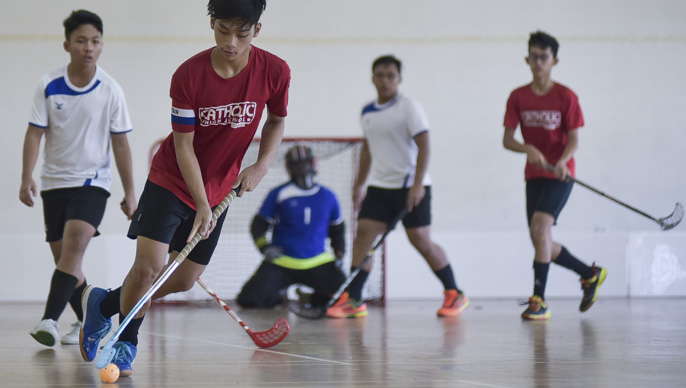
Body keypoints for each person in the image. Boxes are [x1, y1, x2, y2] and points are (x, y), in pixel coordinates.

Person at [78, 0, 290, 377]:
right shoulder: (189, 76)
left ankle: (103, 305)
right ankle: (127, 342)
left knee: (183, 279)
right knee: (149, 269)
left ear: (256, 30)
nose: (231, 42)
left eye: (241, 33)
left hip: (220, 187)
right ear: (211, 23)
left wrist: (261, 165)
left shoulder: (275, 71)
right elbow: (183, 145)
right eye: (223, 30)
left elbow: (276, 121)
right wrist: (201, 204)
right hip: (173, 182)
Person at [20, 9, 137, 347]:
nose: (89, 47)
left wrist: (131, 193)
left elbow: (121, 143)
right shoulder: (49, 85)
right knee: (66, 264)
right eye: (82, 41)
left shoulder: (111, 90)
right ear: (67, 44)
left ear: (101, 46)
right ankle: (89, 321)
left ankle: (49, 320)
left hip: (92, 184)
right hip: (53, 184)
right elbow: (33, 135)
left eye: (96, 41)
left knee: (73, 248)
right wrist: (26, 175)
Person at [326, 55, 469, 319]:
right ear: (372, 78)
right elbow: (368, 149)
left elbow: (425, 145)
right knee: (364, 237)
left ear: (399, 79)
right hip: (380, 186)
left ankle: (454, 292)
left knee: (421, 241)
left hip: (411, 185)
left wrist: (417, 186)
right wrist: (359, 184)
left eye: (390, 75)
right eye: (379, 75)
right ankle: (355, 299)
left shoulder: (409, 107)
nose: (385, 80)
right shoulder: (367, 111)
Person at [503, 30, 606, 320]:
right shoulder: (517, 97)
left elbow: (574, 139)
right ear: (527, 59)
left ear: (554, 60)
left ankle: (539, 300)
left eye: (544, 57)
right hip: (534, 175)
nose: (538, 62)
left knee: (539, 230)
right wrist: (527, 148)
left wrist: (562, 161)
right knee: (540, 239)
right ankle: (589, 274)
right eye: (533, 56)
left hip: (561, 175)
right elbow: (507, 139)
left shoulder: (566, 96)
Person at [236, 145, 346, 309]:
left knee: (344, 297)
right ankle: (280, 297)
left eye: (305, 163)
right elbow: (258, 225)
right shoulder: (279, 194)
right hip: (282, 261)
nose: (301, 168)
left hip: (318, 261)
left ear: (314, 163)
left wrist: (339, 252)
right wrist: (264, 247)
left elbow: (337, 229)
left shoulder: (328, 196)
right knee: (249, 299)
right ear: (288, 167)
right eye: (296, 164)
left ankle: (310, 298)